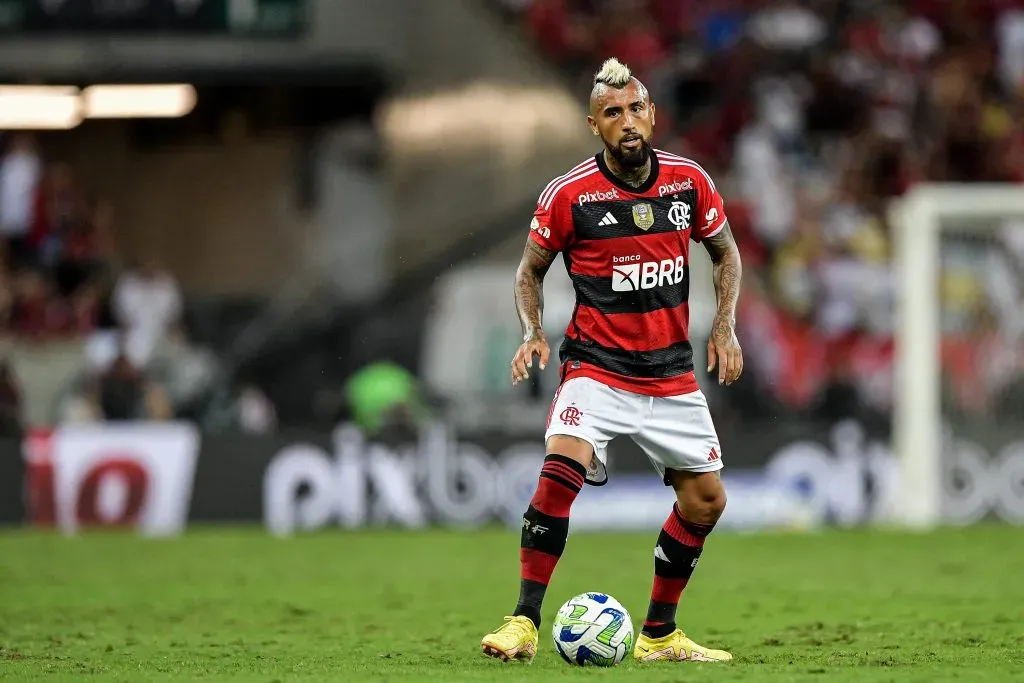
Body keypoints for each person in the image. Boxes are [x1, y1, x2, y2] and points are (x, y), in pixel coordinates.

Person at [480, 58, 743, 664]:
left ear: (652, 114)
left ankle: (659, 635)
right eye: (613, 113)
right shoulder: (570, 195)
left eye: (636, 109)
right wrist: (531, 332)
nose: (628, 122)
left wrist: (724, 325)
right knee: (560, 469)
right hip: (595, 367)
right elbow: (530, 270)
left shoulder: (689, 182)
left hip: (671, 373)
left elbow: (725, 254)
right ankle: (522, 622)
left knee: (707, 502)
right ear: (594, 125)